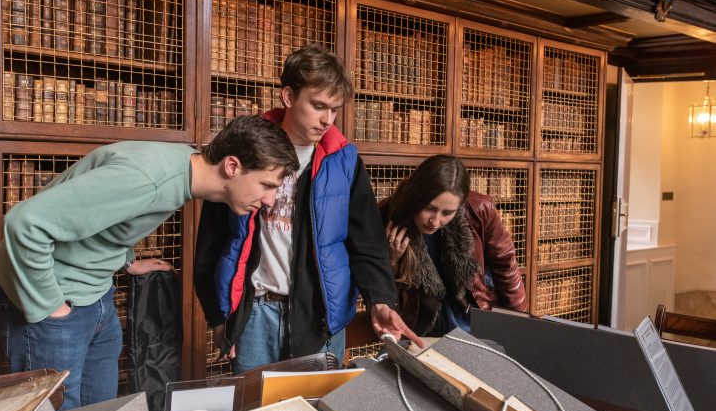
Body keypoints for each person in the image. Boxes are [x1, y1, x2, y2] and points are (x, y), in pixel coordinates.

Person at [0, 115, 299, 411]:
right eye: (267, 185)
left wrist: (126, 261)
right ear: (232, 166)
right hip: (55, 299)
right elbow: (24, 224)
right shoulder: (148, 179)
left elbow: (108, 217)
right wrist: (53, 309)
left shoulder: (185, 168)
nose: (271, 200)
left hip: (95, 296)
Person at [195, 45, 421, 374]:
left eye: (334, 109)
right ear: (288, 96)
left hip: (320, 318)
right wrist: (217, 317)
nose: (327, 120)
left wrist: (380, 301)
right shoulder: (245, 147)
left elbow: (366, 243)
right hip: (254, 315)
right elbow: (212, 239)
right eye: (318, 106)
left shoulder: (344, 162)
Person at [379, 155, 527, 336]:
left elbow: (506, 265)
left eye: (447, 212)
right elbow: (383, 290)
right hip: (424, 327)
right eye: (429, 208)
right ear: (415, 196)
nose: (435, 221)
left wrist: (520, 328)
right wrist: (393, 261)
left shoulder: (479, 208)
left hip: (475, 319)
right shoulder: (386, 214)